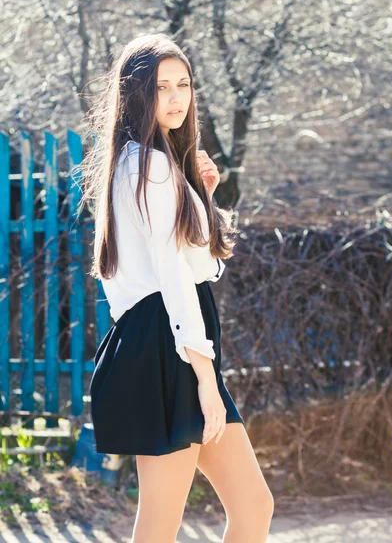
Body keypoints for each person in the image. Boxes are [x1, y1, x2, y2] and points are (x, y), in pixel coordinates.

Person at [81, 33, 274, 542]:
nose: (175, 97)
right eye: (160, 86)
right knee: (160, 526)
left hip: (172, 342)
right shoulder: (150, 166)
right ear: (135, 95)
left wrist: (204, 198)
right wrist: (207, 382)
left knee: (253, 506)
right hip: (169, 347)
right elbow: (173, 280)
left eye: (183, 84)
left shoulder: (149, 164)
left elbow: (202, 269)